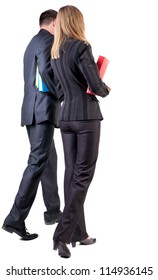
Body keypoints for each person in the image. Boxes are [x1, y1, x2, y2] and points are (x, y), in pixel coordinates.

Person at [50, 5, 111, 258]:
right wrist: (106, 88)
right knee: (82, 177)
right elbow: (96, 85)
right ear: (77, 22)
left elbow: (59, 88)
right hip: (86, 119)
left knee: (71, 175)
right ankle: (62, 235)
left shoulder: (56, 52)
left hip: (66, 118)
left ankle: (79, 233)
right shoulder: (81, 47)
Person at [2, 10, 62, 241]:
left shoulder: (33, 42)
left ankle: (53, 212)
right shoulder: (47, 41)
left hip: (33, 109)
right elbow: (47, 71)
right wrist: (65, 93)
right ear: (54, 23)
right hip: (42, 110)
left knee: (48, 160)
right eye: (61, 25)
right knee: (37, 162)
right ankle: (14, 220)